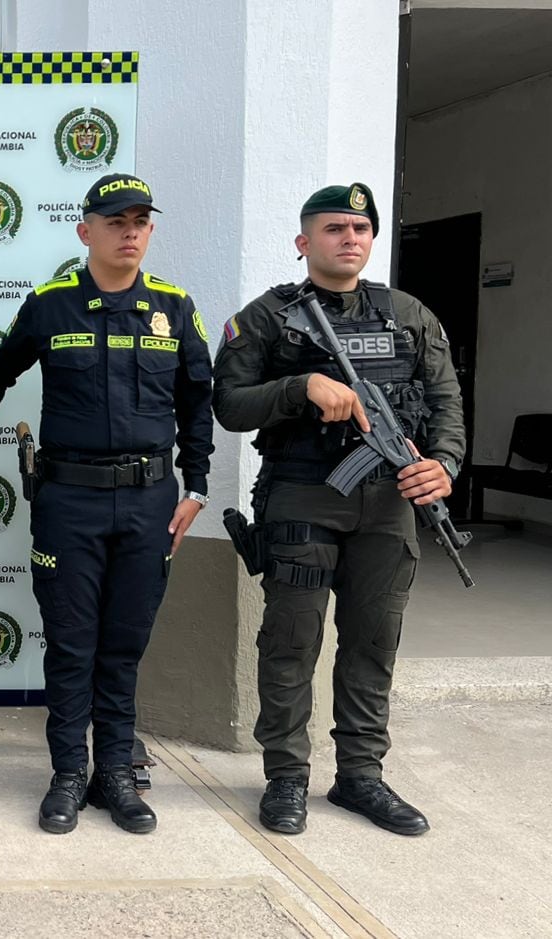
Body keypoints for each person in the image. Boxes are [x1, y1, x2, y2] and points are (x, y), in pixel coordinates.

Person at [211, 183, 463, 837]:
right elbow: (229, 404)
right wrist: (300, 387)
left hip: (389, 503)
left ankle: (360, 777)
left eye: (360, 228)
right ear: (304, 242)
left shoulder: (408, 314)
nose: (349, 238)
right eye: (333, 228)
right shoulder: (267, 318)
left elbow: (445, 399)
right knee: (291, 642)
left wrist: (445, 464)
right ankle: (286, 778)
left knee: (373, 642)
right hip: (304, 495)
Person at [0, 173, 214, 835]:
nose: (129, 233)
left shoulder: (175, 307)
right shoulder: (50, 304)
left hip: (150, 504)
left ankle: (114, 771)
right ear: (85, 230)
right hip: (69, 502)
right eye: (116, 221)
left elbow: (197, 404)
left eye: (140, 221)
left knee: (123, 644)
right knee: (70, 644)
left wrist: (197, 487)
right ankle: (68, 771)